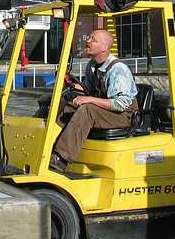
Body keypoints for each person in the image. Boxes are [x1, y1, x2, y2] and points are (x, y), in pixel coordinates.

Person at [50, 29, 138, 172]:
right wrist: (71, 86)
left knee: (87, 110)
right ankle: (48, 146)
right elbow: (89, 89)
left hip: (123, 115)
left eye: (93, 39)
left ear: (104, 47)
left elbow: (120, 104)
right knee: (66, 105)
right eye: (89, 37)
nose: (87, 41)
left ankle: (60, 159)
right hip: (106, 110)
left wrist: (90, 99)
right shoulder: (92, 65)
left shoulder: (118, 69)